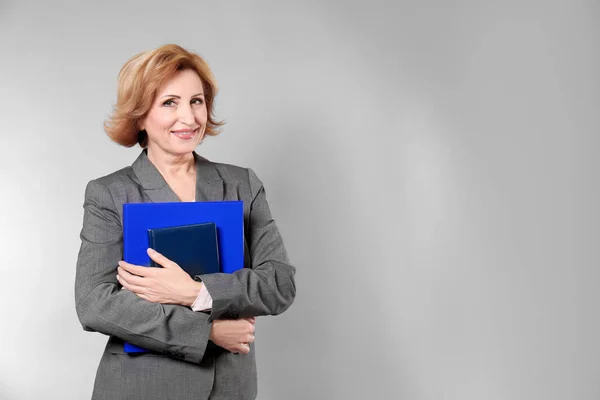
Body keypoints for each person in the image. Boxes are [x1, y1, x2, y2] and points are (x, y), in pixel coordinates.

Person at [74, 44, 296, 400]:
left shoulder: (242, 184)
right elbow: (95, 303)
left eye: (197, 101)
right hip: (142, 386)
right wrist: (205, 332)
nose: (189, 118)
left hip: (228, 387)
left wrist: (195, 292)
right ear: (140, 115)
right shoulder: (110, 194)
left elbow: (279, 285)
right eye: (169, 103)